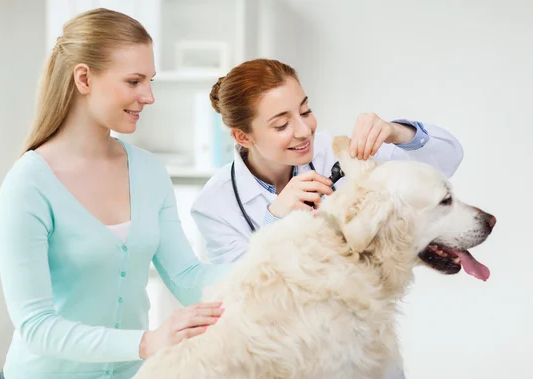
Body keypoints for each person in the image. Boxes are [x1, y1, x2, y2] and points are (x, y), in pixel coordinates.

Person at [190, 58, 465, 379]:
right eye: (281, 125)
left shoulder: (335, 153)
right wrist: (276, 219)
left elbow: (447, 160)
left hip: (364, 342)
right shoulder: (216, 205)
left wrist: (396, 132)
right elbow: (235, 298)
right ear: (243, 136)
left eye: (305, 111)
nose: (304, 130)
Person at [0, 8, 230, 379]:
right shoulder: (28, 184)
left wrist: (276, 260)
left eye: (149, 81)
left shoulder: (149, 172)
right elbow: (36, 326)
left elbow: (187, 277)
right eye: (134, 81)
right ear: (84, 78)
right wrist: (146, 342)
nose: (149, 96)